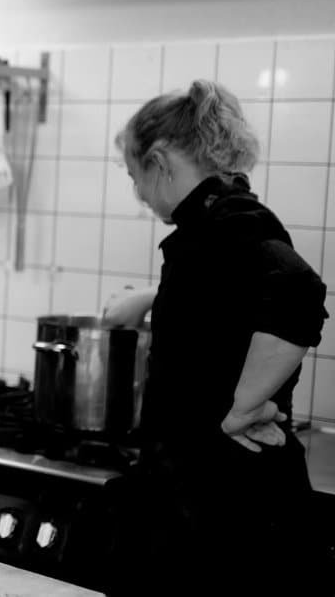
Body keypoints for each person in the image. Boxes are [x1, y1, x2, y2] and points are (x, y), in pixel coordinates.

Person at [101, 80, 330, 595]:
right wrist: (150, 298)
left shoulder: (224, 224)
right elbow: (233, 295)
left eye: (135, 175)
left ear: (159, 161)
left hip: (221, 510)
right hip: (210, 499)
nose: (138, 192)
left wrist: (245, 406)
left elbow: (297, 290)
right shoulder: (216, 223)